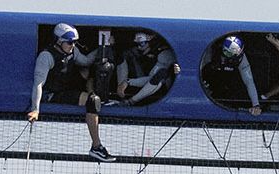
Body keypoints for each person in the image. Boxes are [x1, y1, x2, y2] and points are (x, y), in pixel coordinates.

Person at [27, 23, 115, 162]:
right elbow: (38, 84)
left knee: (91, 88)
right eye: (69, 42)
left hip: (66, 88)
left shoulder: (73, 51)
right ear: (59, 41)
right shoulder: (46, 56)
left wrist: (103, 47)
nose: (72, 45)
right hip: (52, 94)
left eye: (74, 42)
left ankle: (103, 103)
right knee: (92, 101)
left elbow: (86, 61)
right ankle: (96, 146)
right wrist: (35, 110)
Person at [201, 35, 264, 113]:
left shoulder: (241, 59)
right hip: (211, 79)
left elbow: (249, 81)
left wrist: (256, 105)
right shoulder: (209, 54)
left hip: (229, 85)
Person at [113, 31, 178, 107]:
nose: (139, 47)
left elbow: (154, 78)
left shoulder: (164, 55)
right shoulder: (138, 51)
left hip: (159, 88)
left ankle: (131, 101)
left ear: (150, 42)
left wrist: (128, 82)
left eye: (141, 44)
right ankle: (120, 93)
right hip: (141, 80)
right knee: (123, 55)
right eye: (136, 44)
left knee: (161, 73)